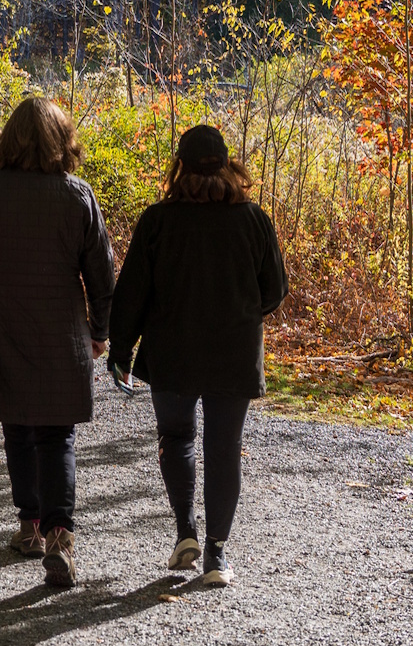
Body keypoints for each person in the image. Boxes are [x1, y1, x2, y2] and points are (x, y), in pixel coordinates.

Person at [0, 96, 115, 588]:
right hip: (62, 334)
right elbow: (102, 274)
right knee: (57, 434)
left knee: (17, 426)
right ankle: (60, 535)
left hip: (3, 328)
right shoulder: (77, 195)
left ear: (10, 138)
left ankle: (30, 526)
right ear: (63, 140)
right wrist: (100, 330)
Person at [108, 124, 287, 588]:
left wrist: (121, 352)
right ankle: (217, 554)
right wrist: (243, 312)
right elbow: (275, 290)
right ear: (228, 166)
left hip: (172, 351)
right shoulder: (253, 219)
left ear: (179, 167)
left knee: (176, 436)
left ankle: (186, 530)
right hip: (233, 349)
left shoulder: (158, 221)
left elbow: (131, 295)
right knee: (224, 447)